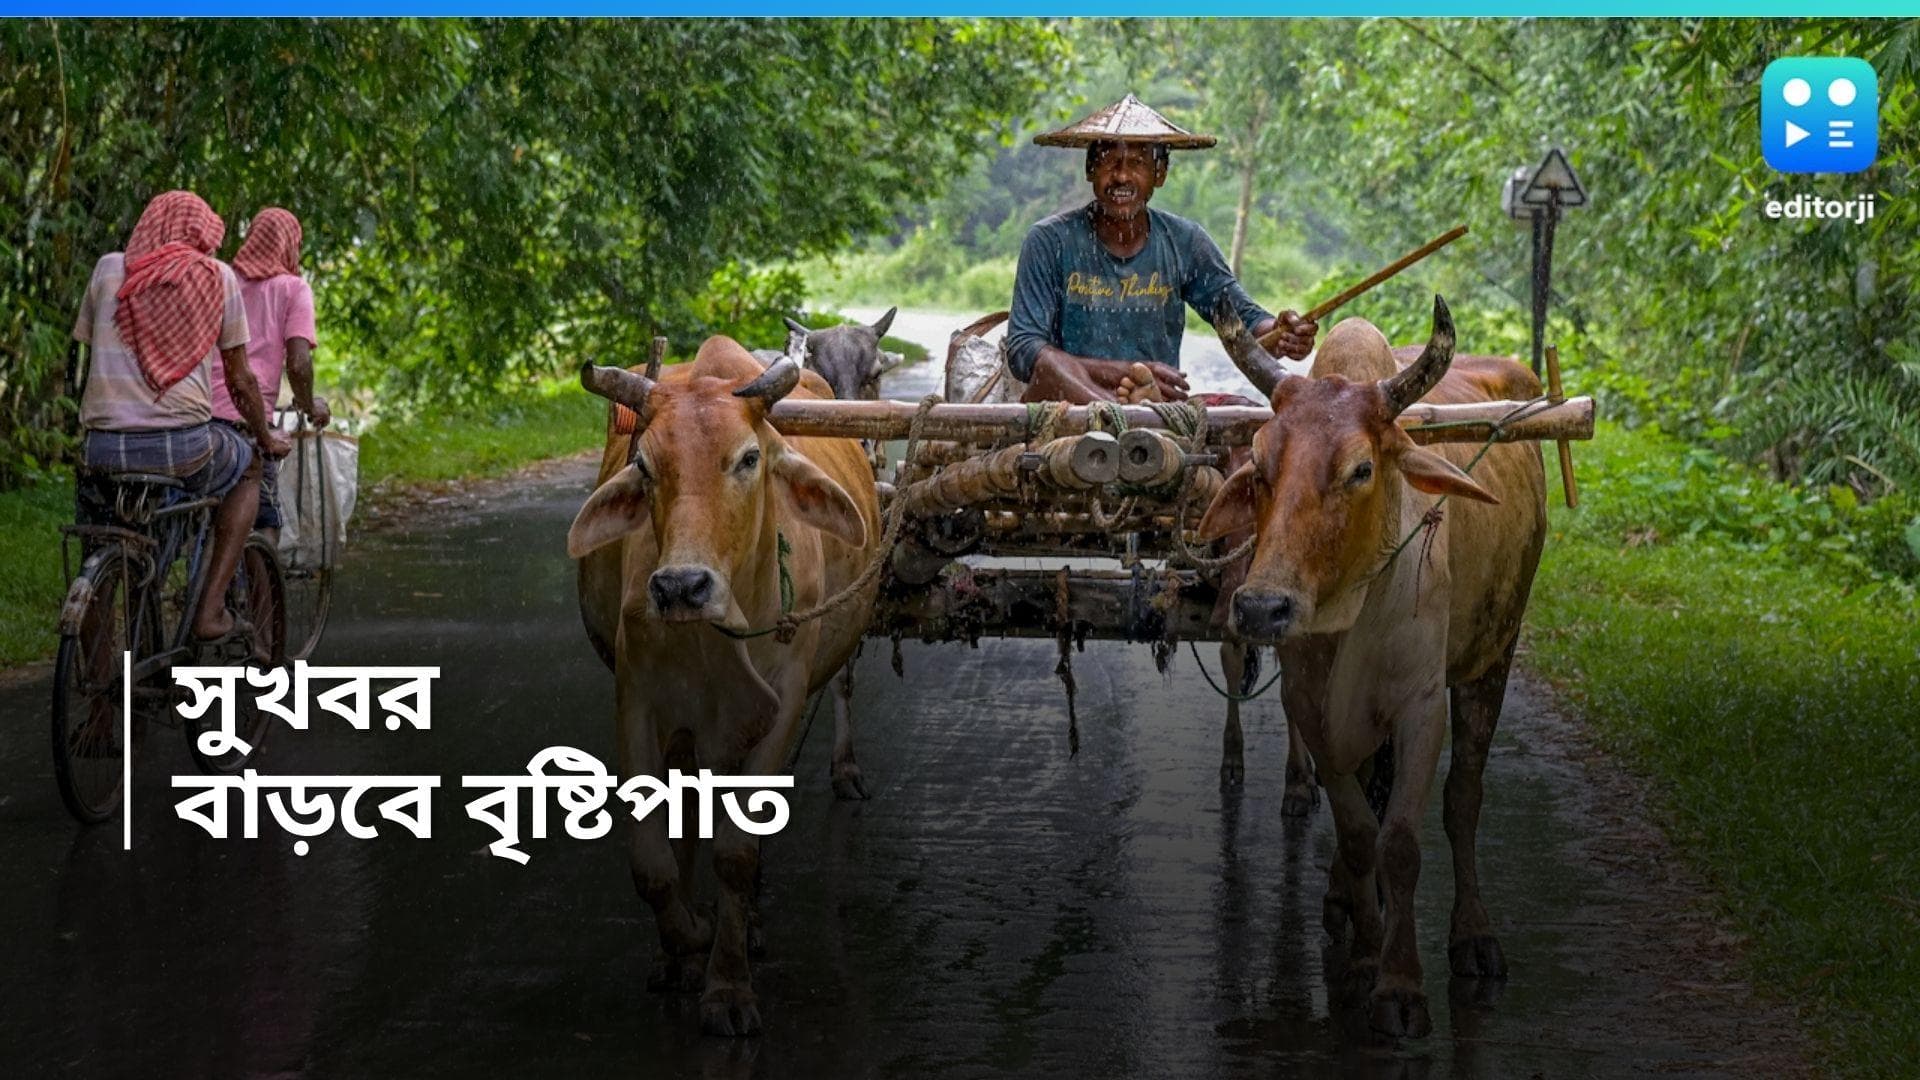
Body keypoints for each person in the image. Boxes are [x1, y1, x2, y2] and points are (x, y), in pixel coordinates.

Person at [72, 190, 290, 642]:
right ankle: (209, 610)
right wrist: (264, 438)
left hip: (103, 448)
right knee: (247, 466)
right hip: (183, 449)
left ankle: (97, 707)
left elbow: (91, 347)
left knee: (99, 562)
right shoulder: (216, 277)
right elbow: (239, 380)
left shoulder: (109, 269)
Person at [1005, 94, 1319, 405]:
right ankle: (1118, 416)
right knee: (1048, 363)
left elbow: (1236, 326)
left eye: (1138, 163)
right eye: (1108, 162)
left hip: (1158, 408)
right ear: (1090, 171)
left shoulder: (1185, 242)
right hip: (1070, 401)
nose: (1122, 176)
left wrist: (1280, 333)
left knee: (1246, 414)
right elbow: (1024, 351)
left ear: (1161, 174)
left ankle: (1134, 414)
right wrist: (1124, 373)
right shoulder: (1049, 241)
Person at [212, 206, 329, 538]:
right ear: (291, 245)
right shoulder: (292, 289)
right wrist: (308, 404)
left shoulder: (221, 278)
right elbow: (299, 363)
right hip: (247, 419)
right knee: (265, 521)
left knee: (204, 515)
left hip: (197, 415)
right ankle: (258, 587)